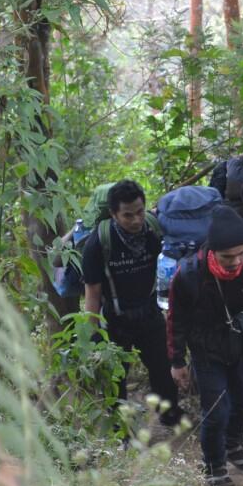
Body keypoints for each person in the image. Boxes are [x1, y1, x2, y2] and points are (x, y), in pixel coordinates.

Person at [167, 205, 243, 486]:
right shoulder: (188, 274)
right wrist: (177, 361)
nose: (235, 261)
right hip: (206, 351)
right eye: (228, 256)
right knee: (216, 409)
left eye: (240, 253)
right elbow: (175, 320)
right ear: (212, 251)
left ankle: (234, 448)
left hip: (241, 346)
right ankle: (214, 464)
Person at [82, 180, 184, 429]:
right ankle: (120, 429)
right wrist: (93, 333)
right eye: (127, 215)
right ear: (114, 214)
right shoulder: (99, 243)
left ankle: (170, 415)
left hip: (150, 313)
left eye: (139, 212)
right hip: (116, 319)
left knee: (162, 367)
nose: (136, 220)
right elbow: (92, 293)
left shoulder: (153, 231)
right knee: (116, 377)